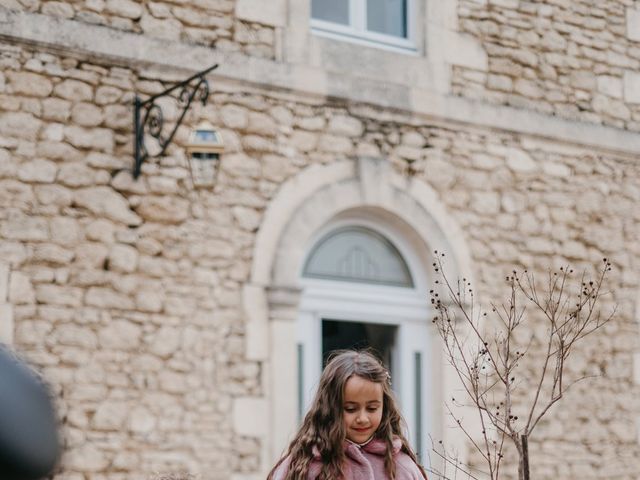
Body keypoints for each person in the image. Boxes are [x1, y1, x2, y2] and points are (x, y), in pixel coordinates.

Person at [268, 350, 428, 480]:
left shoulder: (402, 468)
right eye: (350, 409)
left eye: (372, 408)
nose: (363, 418)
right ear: (330, 408)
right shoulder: (304, 467)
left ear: (384, 407)